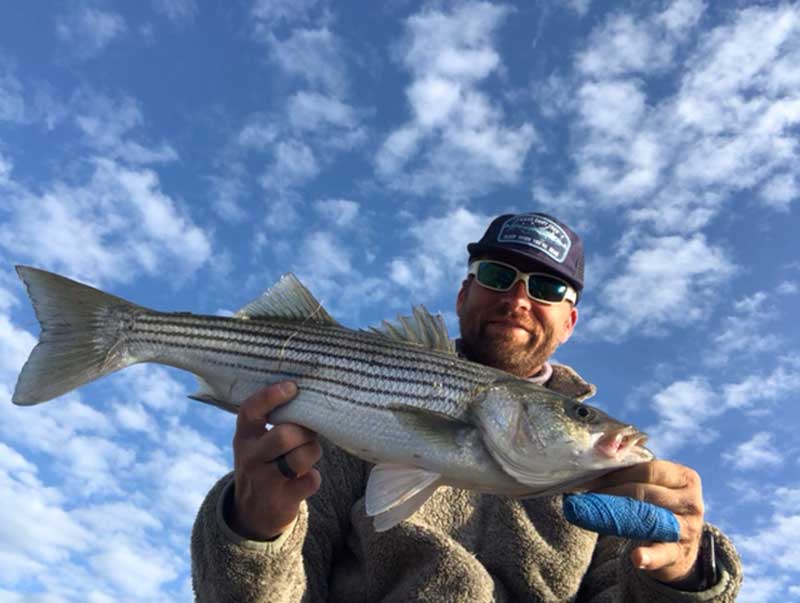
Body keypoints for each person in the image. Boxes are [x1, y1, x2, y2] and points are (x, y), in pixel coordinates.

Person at [191, 212, 742, 602]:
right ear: (463, 295)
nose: (519, 299)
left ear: (570, 322)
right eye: (499, 276)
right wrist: (253, 530)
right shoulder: (349, 412)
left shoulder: (612, 473)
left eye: (548, 287)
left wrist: (685, 578)